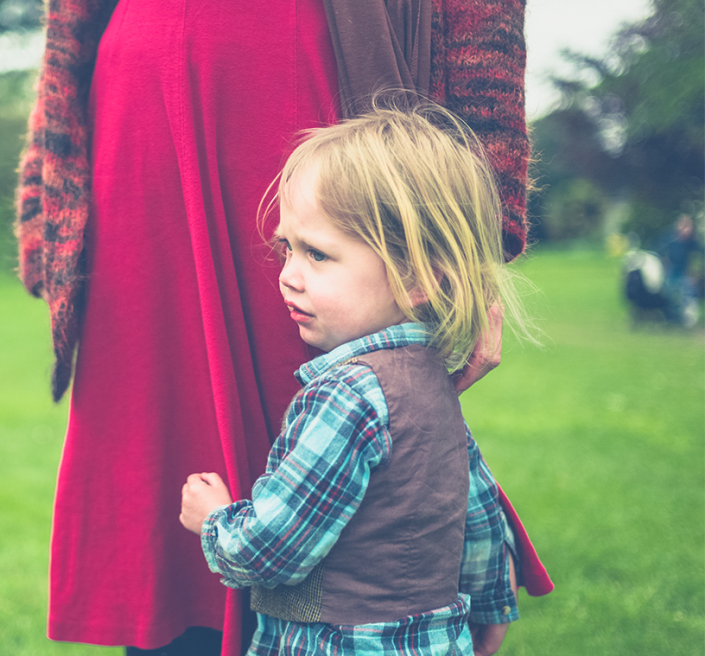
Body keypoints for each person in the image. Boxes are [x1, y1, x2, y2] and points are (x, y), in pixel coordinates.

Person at [14, 1, 552, 654]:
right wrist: (50, 208)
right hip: (141, 105)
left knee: (353, 416)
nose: (288, 273)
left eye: (307, 257)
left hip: (316, 71)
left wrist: (473, 246)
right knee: (166, 457)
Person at [179, 105, 535, 656]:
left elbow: (272, 549)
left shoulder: (346, 396)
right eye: (287, 248)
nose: (286, 275)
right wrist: (489, 608)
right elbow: (475, 511)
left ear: (417, 277)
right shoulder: (434, 384)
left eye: (317, 254)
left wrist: (213, 521)